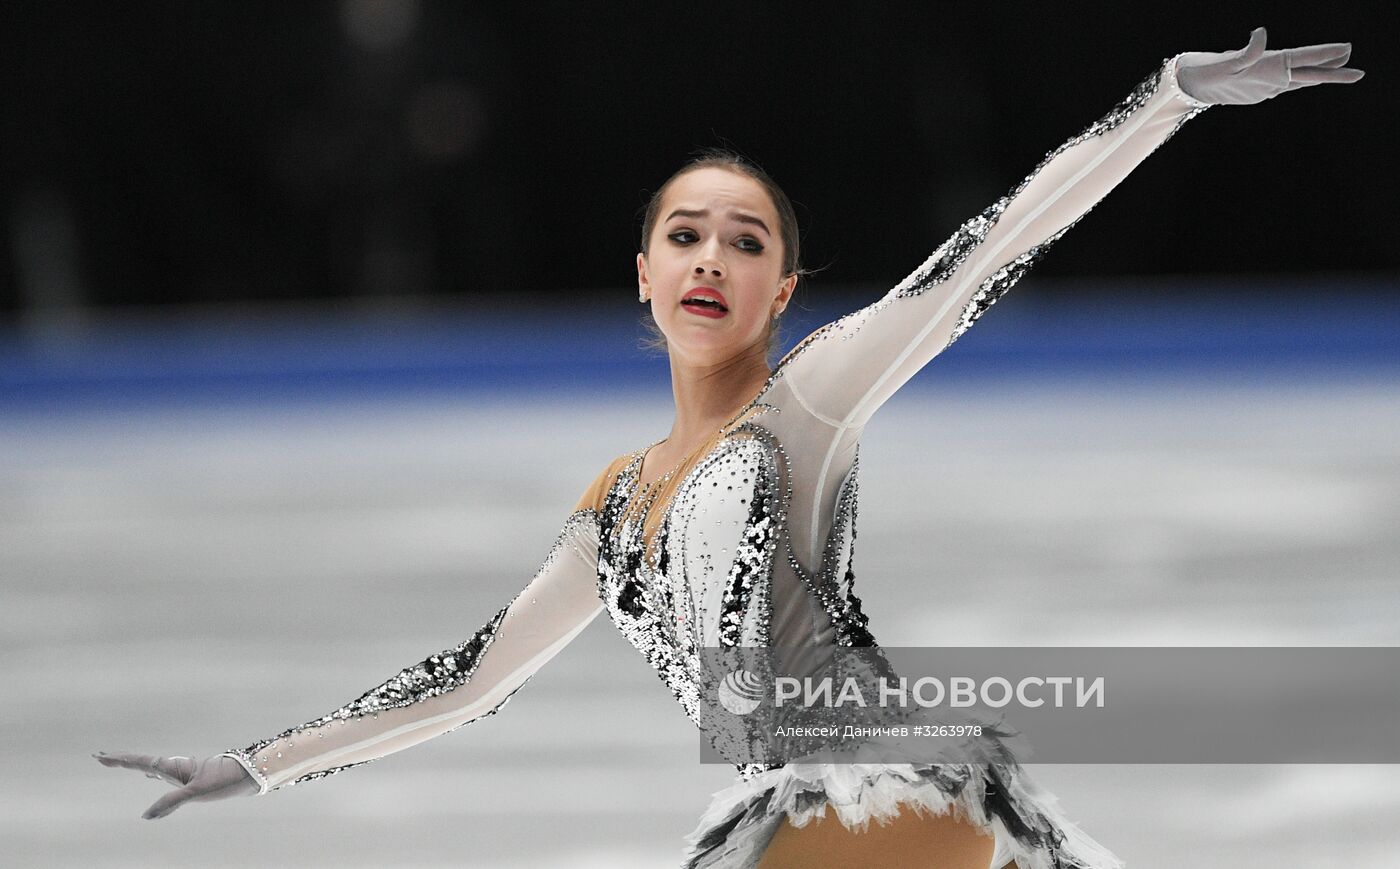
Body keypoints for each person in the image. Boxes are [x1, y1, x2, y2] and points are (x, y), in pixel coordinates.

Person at [97, 27, 1361, 869]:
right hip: (786, 807)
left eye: (745, 241)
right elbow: (468, 680)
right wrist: (253, 767)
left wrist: (1165, 101)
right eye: (686, 234)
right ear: (641, 274)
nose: (712, 256)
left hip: (883, 786)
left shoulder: (802, 406)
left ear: (783, 288)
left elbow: (986, 248)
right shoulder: (611, 507)